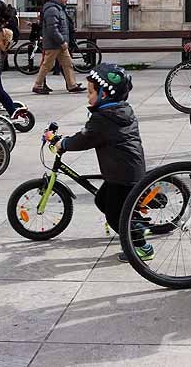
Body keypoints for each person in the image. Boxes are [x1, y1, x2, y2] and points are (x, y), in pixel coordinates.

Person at [56, 63, 151, 261]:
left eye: (90, 92)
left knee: (115, 216)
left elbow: (85, 138)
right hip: (123, 170)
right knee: (102, 200)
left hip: (122, 175)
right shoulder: (119, 110)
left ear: (104, 95)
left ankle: (142, 247)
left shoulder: (104, 119)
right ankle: (137, 224)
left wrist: (63, 143)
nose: (87, 96)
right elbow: (89, 134)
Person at [33, 0, 86, 94]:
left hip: (60, 44)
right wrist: (62, 41)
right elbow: (53, 28)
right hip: (54, 44)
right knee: (47, 65)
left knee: (68, 64)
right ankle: (37, 85)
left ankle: (72, 85)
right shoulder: (52, 9)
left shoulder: (59, 8)